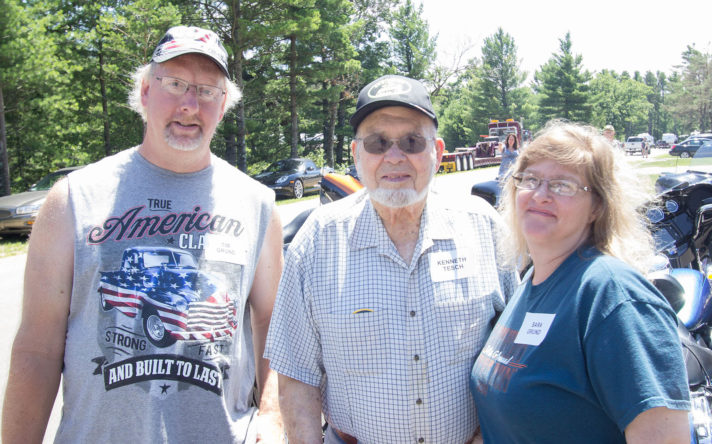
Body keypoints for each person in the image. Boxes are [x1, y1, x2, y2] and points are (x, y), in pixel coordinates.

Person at [3, 25, 284, 443]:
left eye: (207, 91)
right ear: (146, 91)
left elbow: (272, 323)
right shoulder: (73, 199)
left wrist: (274, 415)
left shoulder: (257, 203)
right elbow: (37, 349)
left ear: (223, 105)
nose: (190, 104)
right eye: (175, 84)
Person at [265, 74, 516, 444]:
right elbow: (295, 376)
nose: (394, 157)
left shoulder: (484, 226)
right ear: (356, 154)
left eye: (412, 142)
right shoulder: (318, 240)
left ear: (437, 152)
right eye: (377, 143)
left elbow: (516, 353)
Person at [470, 121, 690, 443]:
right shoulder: (532, 281)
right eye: (530, 179)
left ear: (597, 206)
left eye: (563, 185)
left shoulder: (613, 296)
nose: (540, 195)